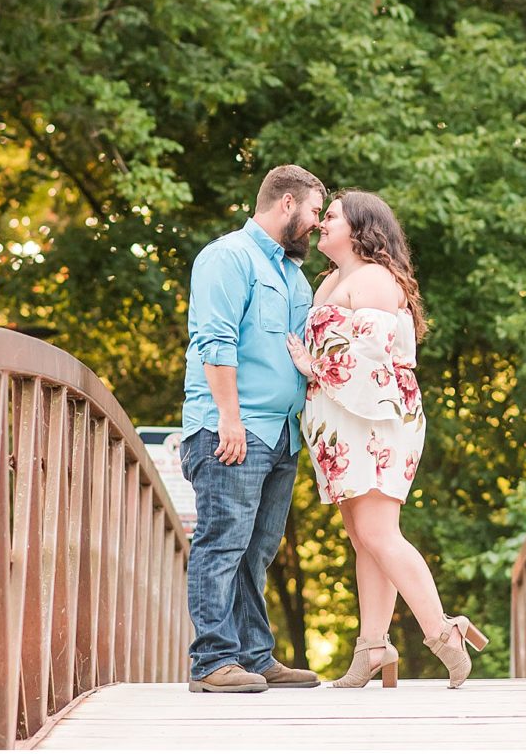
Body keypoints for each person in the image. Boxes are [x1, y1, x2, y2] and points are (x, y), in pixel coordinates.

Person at [286, 190, 488, 689]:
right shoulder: (332, 280)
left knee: (379, 533)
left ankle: (443, 633)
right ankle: (373, 647)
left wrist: (312, 368)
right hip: (340, 422)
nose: (321, 225)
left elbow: (371, 356)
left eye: (330, 217)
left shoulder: (375, 278)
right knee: (362, 539)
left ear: (359, 229)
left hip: (376, 418)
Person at [181, 164, 327, 693]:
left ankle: (254, 655)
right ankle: (212, 662)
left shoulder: (292, 274)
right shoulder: (228, 257)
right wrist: (229, 418)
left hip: (281, 434)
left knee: (256, 551)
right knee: (221, 544)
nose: (317, 223)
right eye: (314, 211)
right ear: (287, 204)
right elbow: (214, 341)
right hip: (231, 429)